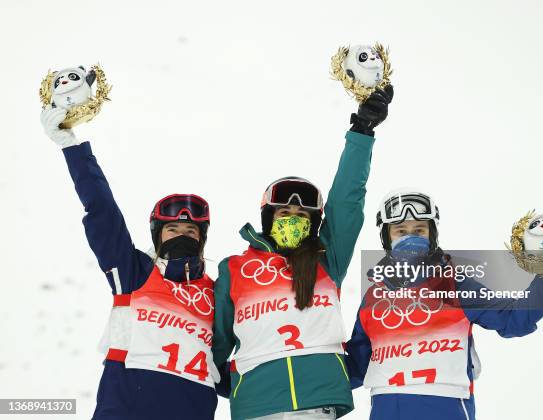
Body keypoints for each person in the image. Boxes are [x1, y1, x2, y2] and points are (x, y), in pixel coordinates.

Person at [212, 86, 394, 419]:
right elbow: (216, 344)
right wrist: (236, 383)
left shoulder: (327, 259)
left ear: (313, 224)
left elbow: (346, 201)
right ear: (269, 219)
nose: (293, 221)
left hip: (317, 406)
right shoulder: (235, 269)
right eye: (284, 214)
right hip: (256, 408)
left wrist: (361, 133)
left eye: (301, 217)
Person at [40, 107, 220, 420]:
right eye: (173, 230)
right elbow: (102, 212)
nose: (183, 235)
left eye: (191, 231)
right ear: (158, 235)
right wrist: (71, 147)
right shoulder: (134, 271)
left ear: (201, 238)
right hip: (126, 408)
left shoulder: (217, 294)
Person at [345, 189, 543, 420]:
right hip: (387, 410)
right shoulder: (373, 298)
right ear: (386, 237)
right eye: (400, 231)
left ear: (432, 235)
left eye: (419, 230)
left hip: (445, 408)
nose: (410, 237)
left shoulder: (455, 284)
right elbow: (356, 366)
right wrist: (310, 374)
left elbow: (514, 318)